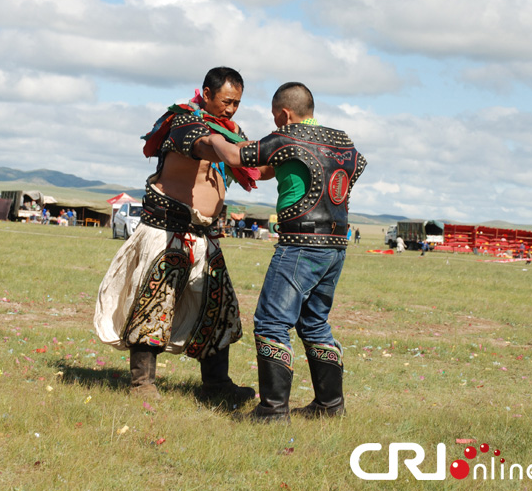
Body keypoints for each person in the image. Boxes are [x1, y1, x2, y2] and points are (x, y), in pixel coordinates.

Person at [94, 66, 261, 404]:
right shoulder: (183, 121)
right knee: (154, 303)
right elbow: (203, 147)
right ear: (207, 93)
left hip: (204, 235)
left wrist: (289, 151)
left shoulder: (230, 131)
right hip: (166, 231)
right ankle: (142, 383)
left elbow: (253, 161)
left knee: (219, 306)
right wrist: (232, 147)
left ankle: (215, 385)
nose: (230, 110)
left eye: (237, 104)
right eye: (226, 101)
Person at [209, 81, 366, 422]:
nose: (276, 125)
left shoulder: (287, 135)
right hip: (335, 246)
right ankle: (329, 405)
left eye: (275, 119)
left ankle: (272, 408)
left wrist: (212, 139)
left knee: (271, 323)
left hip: (299, 244)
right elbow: (278, 169)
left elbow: (238, 155)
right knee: (315, 324)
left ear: (284, 113)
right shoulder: (343, 142)